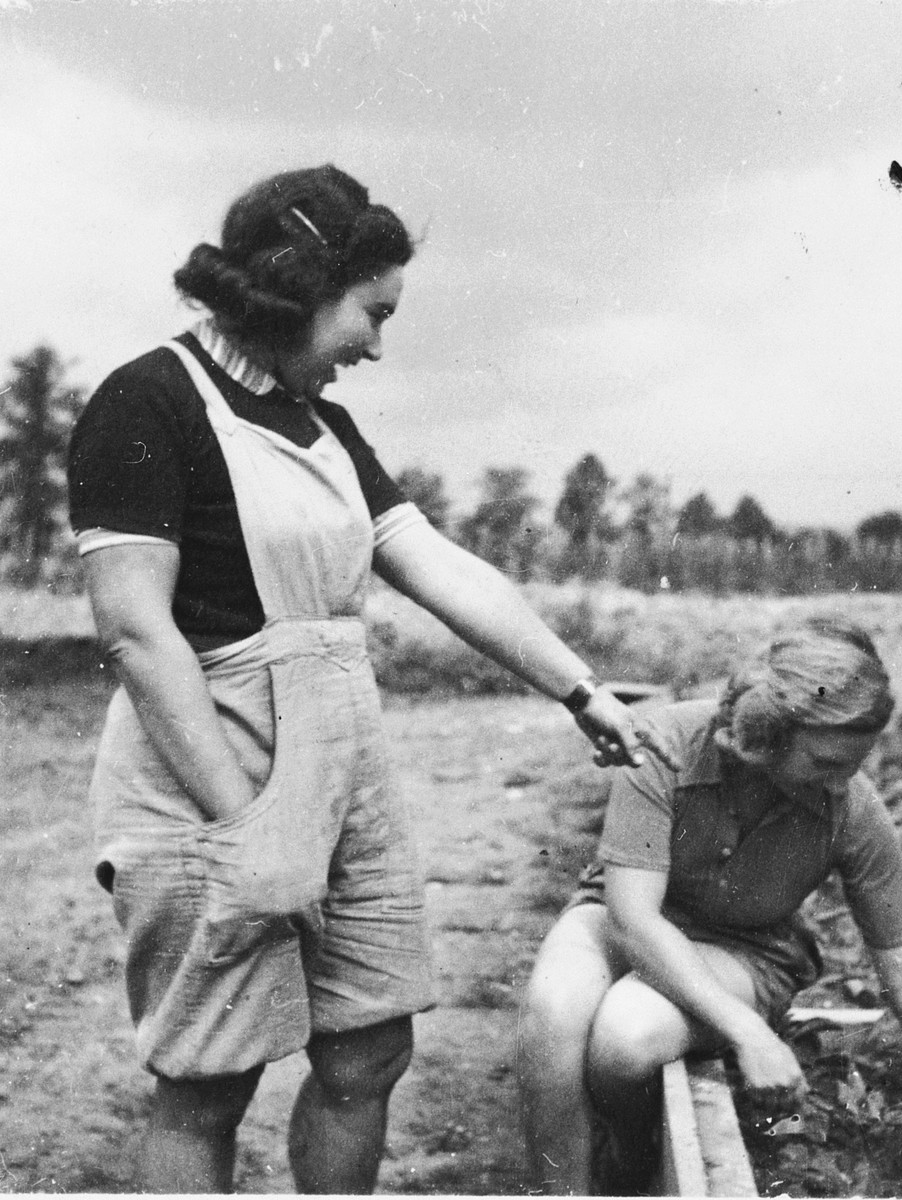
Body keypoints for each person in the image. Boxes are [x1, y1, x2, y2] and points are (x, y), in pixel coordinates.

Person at [67, 163, 671, 1195]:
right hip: (206, 765)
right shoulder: (149, 401)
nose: (377, 346)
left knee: (368, 1049)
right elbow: (136, 631)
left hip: (344, 769)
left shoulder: (324, 425)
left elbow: (436, 564)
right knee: (209, 1082)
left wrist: (581, 689)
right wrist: (245, 822)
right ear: (299, 286)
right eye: (370, 312)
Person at [517, 618, 902, 1197]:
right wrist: (750, 1035)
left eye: (856, 762)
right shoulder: (662, 747)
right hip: (621, 915)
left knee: (627, 1038)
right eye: (826, 763)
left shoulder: (851, 807)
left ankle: (631, 1147)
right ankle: (562, 1191)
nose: (843, 780)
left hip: (742, 949)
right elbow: (632, 920)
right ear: (766, 739)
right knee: (552, 1009)